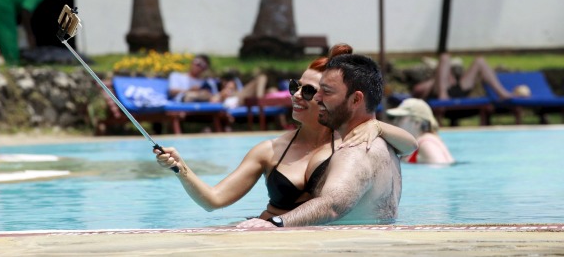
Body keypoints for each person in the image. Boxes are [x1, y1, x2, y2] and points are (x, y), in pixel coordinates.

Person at [154, 45, 417, 223]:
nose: (297, 95)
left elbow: (408, 146)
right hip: (265, 230)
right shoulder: (270, 150)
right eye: (295, 86)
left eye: (311, 91)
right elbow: (214, 200)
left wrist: (378, 125)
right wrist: (181, 168)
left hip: (286, 234)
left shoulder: (355, 143)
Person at [238, 53, 404, 228]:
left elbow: (332, 205)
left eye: (327, 92)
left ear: (355, 99)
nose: (317, 97)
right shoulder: (388, 144)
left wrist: (275, 223)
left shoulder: (355, 150)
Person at [413, 53, 518, 100]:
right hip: (439, 93)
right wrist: (434, 80)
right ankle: (443, 95)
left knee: (479, 61)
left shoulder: (451, 74)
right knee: (445, 57)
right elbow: (417, 90)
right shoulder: (431, 78)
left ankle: (502, 93)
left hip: (457, 89)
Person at [386, 98, 454, 164]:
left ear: (417, 123)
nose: (395, 122)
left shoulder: (427, 144)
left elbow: (440, 171)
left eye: (400, 118)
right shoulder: (415, 144)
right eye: (395, 118)